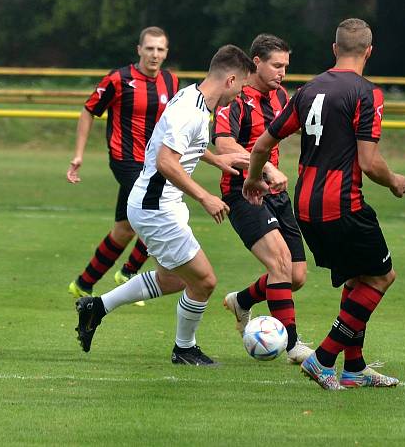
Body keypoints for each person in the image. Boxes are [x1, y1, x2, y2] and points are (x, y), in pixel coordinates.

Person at [243, 18, 405, 390]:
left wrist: (253, 178)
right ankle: (323, 358)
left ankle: (355, 369)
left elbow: (262, 145)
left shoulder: (307, 90)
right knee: (381, 277)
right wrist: (395, 179)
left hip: (304, 205)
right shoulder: (367, 93)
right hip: (342, 203)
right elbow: (369, 162)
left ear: (334, 49)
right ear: (369, 50)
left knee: (357, 277)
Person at [74, 45, 256, 365]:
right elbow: (166, 161)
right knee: (205, 281)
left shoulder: (195, 100)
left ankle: (96, 307)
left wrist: (218, 160)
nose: (240, 95)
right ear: (230, 80)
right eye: (241, 86)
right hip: (156, 207)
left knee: (172, 279)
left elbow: (183, 146)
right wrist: (205, 196)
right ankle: (184, 349)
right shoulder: (190, 109)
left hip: (158, 204)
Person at [213, 34, 313, 365]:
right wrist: (266, 166)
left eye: (286, 66)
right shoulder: (236, 98)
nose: (283, 72)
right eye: (277, 65)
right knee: (280, 264)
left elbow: (300, 127)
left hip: (276, 194)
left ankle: (242, 301)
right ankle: (292, 345)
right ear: (256, 61)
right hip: (244, 192)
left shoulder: (281, 96)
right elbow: (224, 145)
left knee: (295, 275)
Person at [66, 26, 179, 305]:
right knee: (155, 211)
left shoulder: (171, 82)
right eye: (149, 48)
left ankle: (83, 282)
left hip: (154, 161)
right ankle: (128, 273)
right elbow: (89, 110)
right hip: (125, 159)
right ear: (139, 49)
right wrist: (78, 154)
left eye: (160, 49)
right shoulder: (119, 79)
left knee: (125, 228)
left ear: (166, 53)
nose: (154, 54)